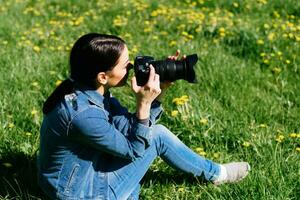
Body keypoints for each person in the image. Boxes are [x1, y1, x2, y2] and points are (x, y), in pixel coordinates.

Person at [38, 33, 250, 200]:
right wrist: (144, 103)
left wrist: (160, 92)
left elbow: (126, 129)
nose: (131, 68)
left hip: (84, 176)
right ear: (103, 76)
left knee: (150, 136)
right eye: (125, 65)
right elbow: (134, 149)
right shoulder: (83, 115)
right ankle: (217, 174)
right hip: (80, 194)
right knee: (156, 136)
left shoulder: (90, 91)